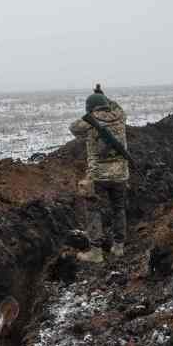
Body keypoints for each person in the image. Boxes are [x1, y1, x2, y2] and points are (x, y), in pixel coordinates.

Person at [69, 84, 130, 262]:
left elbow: (73, 128)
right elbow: (115, 105)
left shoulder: (89, 121)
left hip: (98, 176)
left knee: (94, 211)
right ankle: (118, 247)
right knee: (119, 209)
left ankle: (96, 252)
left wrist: (91, 113)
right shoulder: (120, 116)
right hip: (121, 174)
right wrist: (103, 96)